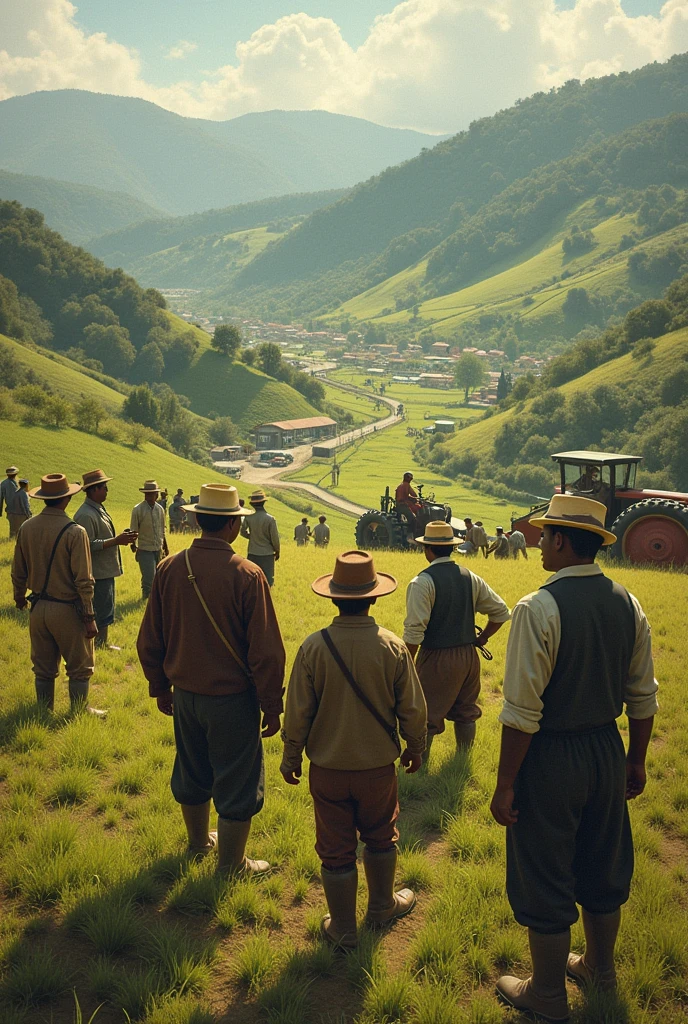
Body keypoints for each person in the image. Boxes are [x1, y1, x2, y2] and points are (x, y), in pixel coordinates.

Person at [490, 495, 658, 1023]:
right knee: (603, 861)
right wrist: (635, 761)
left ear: (562, 540)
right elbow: (643, 696)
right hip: (607, 749)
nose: (538, 542)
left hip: (550, 756)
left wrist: (505, 783)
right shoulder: (628, 602)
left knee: (544, 867)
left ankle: (545, 993)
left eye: (544, 535)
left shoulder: (537, 608)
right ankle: (598, 970)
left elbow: (521, 712)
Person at [281, 550, 427, 947]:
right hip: (378, 768)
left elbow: (296, 713)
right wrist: (416, 747)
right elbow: (413, 709)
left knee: (335, 847)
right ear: (374, 597)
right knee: (382, 836)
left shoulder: (313, 648)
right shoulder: (393, 647)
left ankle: (343, 927)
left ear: (333, 597)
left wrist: (291, 755)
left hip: (327, 769)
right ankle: (381, 906)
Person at [137, 483, 286, 873]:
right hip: (234, 700)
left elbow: (149, 638)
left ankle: (198, 843)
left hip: (185, 695)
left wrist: (159, 687)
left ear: (196, 520)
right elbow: (267, 652)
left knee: (192, 769)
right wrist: (272, 705)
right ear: (234, 527)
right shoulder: (249, 575)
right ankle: (232, 866)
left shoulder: (169, 568)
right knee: (238, 779)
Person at [404, 521, 510, 759]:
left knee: (426, 713)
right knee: (466, 711)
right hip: (469, 657)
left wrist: (406, 665)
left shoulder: (421, 582)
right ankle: (463, 759)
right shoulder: (470, 577)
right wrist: (482, 638)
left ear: (427, 549)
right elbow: (501, 612)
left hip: (437, 657)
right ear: (451, 548)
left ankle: (420, 764)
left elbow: (414, 633)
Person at [11, 473, 104, 715]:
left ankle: (44, 711)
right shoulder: (75, 531)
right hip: (67, 609)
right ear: (67, 499)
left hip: (38, 607)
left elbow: (18, 571)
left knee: (42, 668)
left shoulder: (26, 527)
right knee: (80, 667)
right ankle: (79, 712)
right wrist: (90, 616)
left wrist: (19, 597)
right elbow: (84, 580)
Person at [74, 469, 137, 650]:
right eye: (104, 487)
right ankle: (98, 645)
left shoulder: (97, 508)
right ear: (94, 490)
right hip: (97, 571)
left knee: (105, 607)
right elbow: (87, 544)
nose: (107, 491)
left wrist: (120, 537)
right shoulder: (86, 514)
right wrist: (116, 541)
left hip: (105, 569)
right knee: (99, 609)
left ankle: (102, 643)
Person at [130, 480, 168, 599]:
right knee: (148, 578)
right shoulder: (138, 510)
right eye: (147, 494)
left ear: (156, 495)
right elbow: (134, 529)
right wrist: (133, 545)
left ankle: (156, 600)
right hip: (145, 548)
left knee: (159, 577)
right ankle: (146, 600)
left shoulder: (160, 509)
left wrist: (166, 547)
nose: (149, 496)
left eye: (152, 494)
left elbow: (162, 530)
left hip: (158, 548)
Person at [240, 488, 280, 587]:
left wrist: (251, 536)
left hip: (252, 552)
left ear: (252, 504)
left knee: (252, 580)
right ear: (263, 502)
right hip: (267, 554)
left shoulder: (248, 517)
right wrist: (277, 550)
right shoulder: (270, 519)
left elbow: (242, 532)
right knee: (267, 581)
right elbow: (275, 538)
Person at [1, 465, 20, 537]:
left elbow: (1, 498)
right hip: (18, 510)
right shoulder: (18, 484)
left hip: (10, 510)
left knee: (13, 528)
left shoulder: (3, 484)